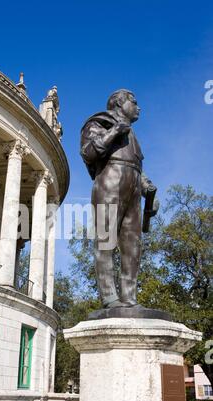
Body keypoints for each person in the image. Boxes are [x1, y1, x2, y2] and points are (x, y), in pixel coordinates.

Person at [80, 89, 159, 308]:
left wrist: (147, 187)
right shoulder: (99, 122)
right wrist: (114, 131)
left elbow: (135, 166)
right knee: (106, 241)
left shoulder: (133, 136)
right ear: (118, 103)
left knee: (132, 245)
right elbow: (88, 153)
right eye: (134, 102)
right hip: (109, 183)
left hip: (133, 189)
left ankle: (130, 299)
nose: (138, 107)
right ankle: (109, 298)